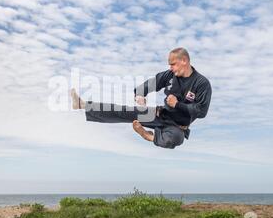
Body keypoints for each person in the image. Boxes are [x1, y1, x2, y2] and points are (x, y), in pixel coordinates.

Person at [70, 48, 212, 149]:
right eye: (169, 64)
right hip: (159, 114)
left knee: (176, 139)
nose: (170, 68)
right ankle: (82, 104)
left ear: (184, 61)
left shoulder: (201, 83)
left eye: (173, 64)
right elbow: (151, 83)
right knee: (122, 111)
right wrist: (139, 95)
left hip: (177, 127)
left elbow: (201, 111)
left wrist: (177, 105)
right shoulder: (170, 75)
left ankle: (148, 136)